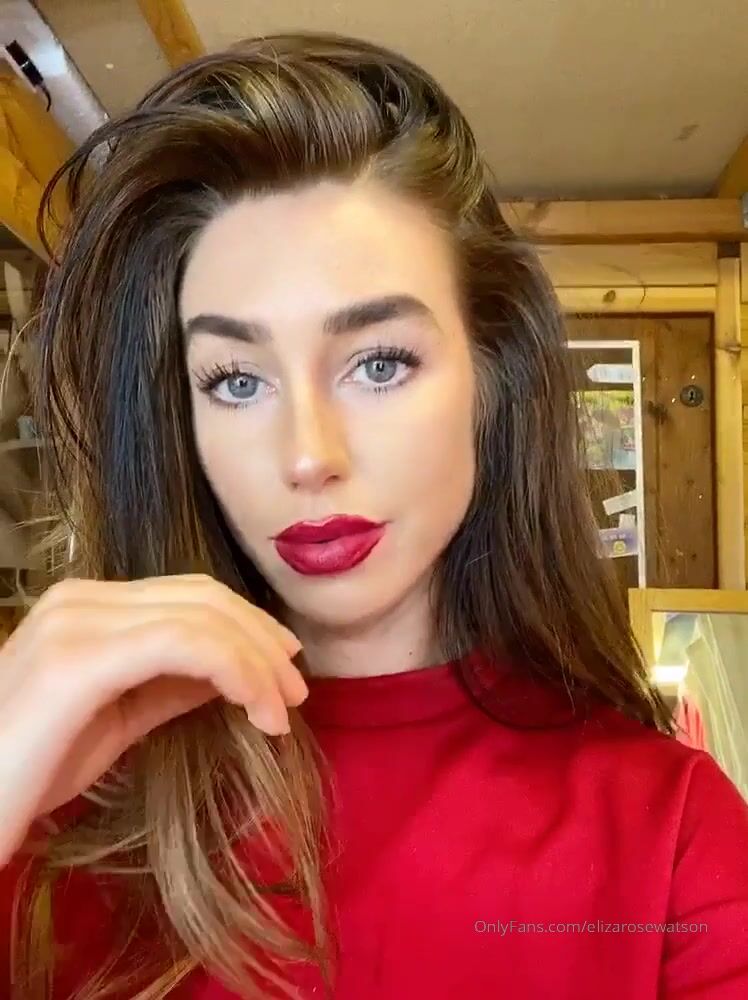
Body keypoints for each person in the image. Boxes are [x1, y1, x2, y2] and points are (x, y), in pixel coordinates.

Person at [0, 32, 746, 1000]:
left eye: (379, 363)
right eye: (235, 380)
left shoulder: (671, 835)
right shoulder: (53, 797)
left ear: (492, 381)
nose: (308, 455)